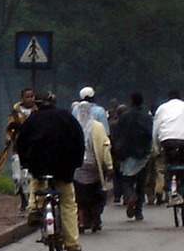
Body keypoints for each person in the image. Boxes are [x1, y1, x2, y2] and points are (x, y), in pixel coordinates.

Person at [16, 90, 86, 251]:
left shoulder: (32, 120)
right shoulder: (67, 118)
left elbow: (21, 143)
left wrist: (26, 163)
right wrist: (76, 162)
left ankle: (34, 210)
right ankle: (72, 246)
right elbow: (79, 140)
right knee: (68, 204)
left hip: (39, 166)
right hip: (64, 167)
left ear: (37, 104)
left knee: (37, 183)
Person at [71, 101, 113, 232]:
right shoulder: (98, 127)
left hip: (77, 166)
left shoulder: (73, 126)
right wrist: (109, 165)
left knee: (79, 196)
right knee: (94, 194)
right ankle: (95, 220)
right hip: (93, 166)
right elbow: (105, 146)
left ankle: (81, 220)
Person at [112, 92, 153, 220]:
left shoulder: (124, 116)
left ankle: (130, 196)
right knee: (141, 183)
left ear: (131, 101)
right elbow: (149, 135)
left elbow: (117, 135)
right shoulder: (146, 117)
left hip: (127, 154)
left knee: (127, 181)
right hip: (142, 155)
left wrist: (116, 152)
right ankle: (139, 211)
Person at [5, 87, 37, 212]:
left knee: (28, 177)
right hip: (17, 149)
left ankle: (30, 200)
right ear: (22, 98)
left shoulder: (37, 112)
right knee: (18, 177)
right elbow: (9, 128)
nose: (30, 99)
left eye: (32, 97)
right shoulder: (15, 112)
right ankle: (22, 198)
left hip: (32, 148)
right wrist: (8, 138)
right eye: (27, 97)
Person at [152, 90, 184, 205]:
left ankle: (170, 187)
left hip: (167, 140)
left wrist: (157, 148)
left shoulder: (162, 108)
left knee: (169, 164)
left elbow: (155, 130)